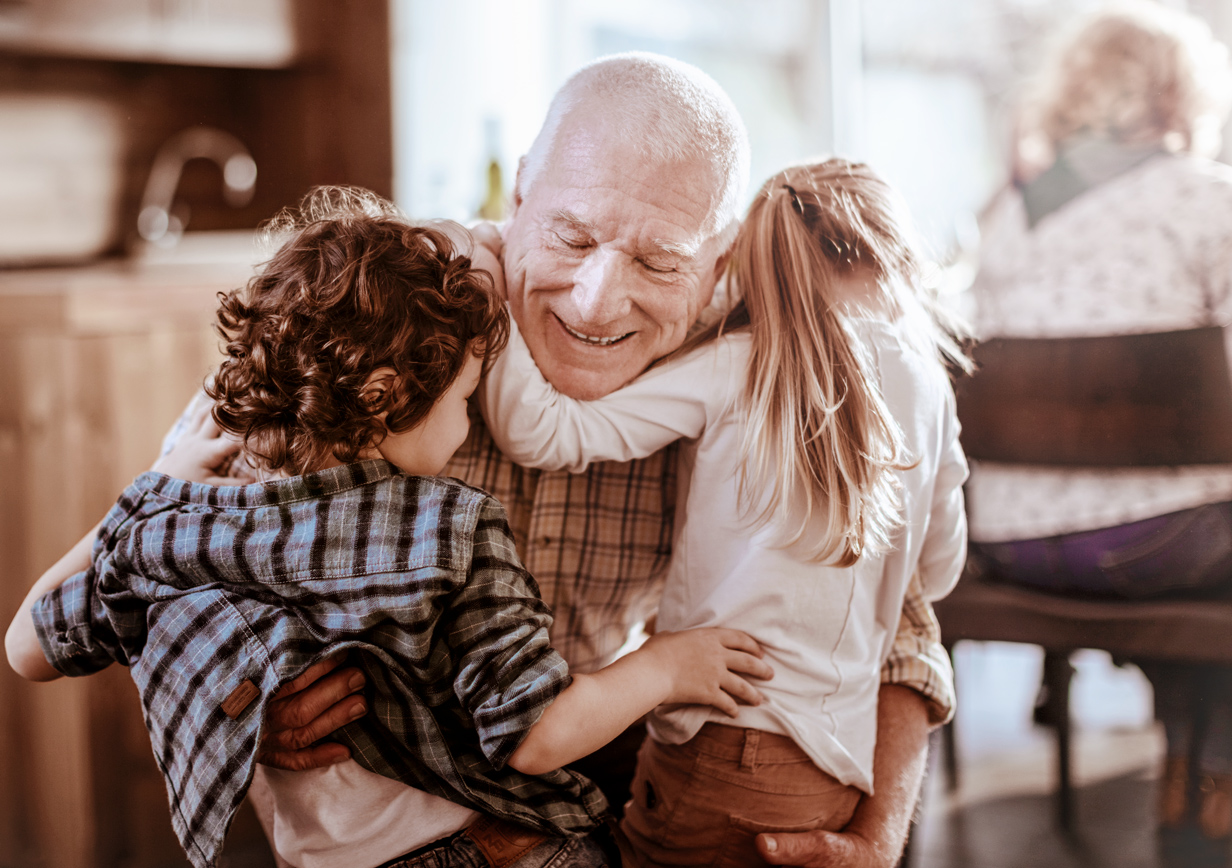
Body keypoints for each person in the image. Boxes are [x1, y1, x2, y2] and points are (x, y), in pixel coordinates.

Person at [63, 53, 955, 868]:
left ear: (718, 262)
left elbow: (900, 612)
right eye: (570, 238)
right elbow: (151, 550)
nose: (598, 299)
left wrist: (876, 834)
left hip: (586, 785)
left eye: (657, 260)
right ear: (520, 191)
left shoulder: (747, 356)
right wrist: (238, 693)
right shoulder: (385, 308)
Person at [5, 188, 774, 868]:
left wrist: (154, 489)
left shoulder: (181, 518)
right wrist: (668, 667)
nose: (469, 424)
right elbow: (535, 733)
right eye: (466, 400)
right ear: (382, 396)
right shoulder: (449, 528)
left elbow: (27, 647)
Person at [477, 157, 969, 867]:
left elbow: (539, 431)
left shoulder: (740, 362)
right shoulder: (930, 387)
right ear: (892, 249)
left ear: (748, 261)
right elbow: (939, 572)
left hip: (718, 741)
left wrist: (487, 279)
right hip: (834, 763)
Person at [964, 2, 1232, 841]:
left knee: (1215, 512)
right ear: (1184, 97)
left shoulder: (1005, 216)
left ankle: (1188, 768)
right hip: (1156, 548)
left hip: (1004, 544)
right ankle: (1226, 780)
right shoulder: (1216, 198)